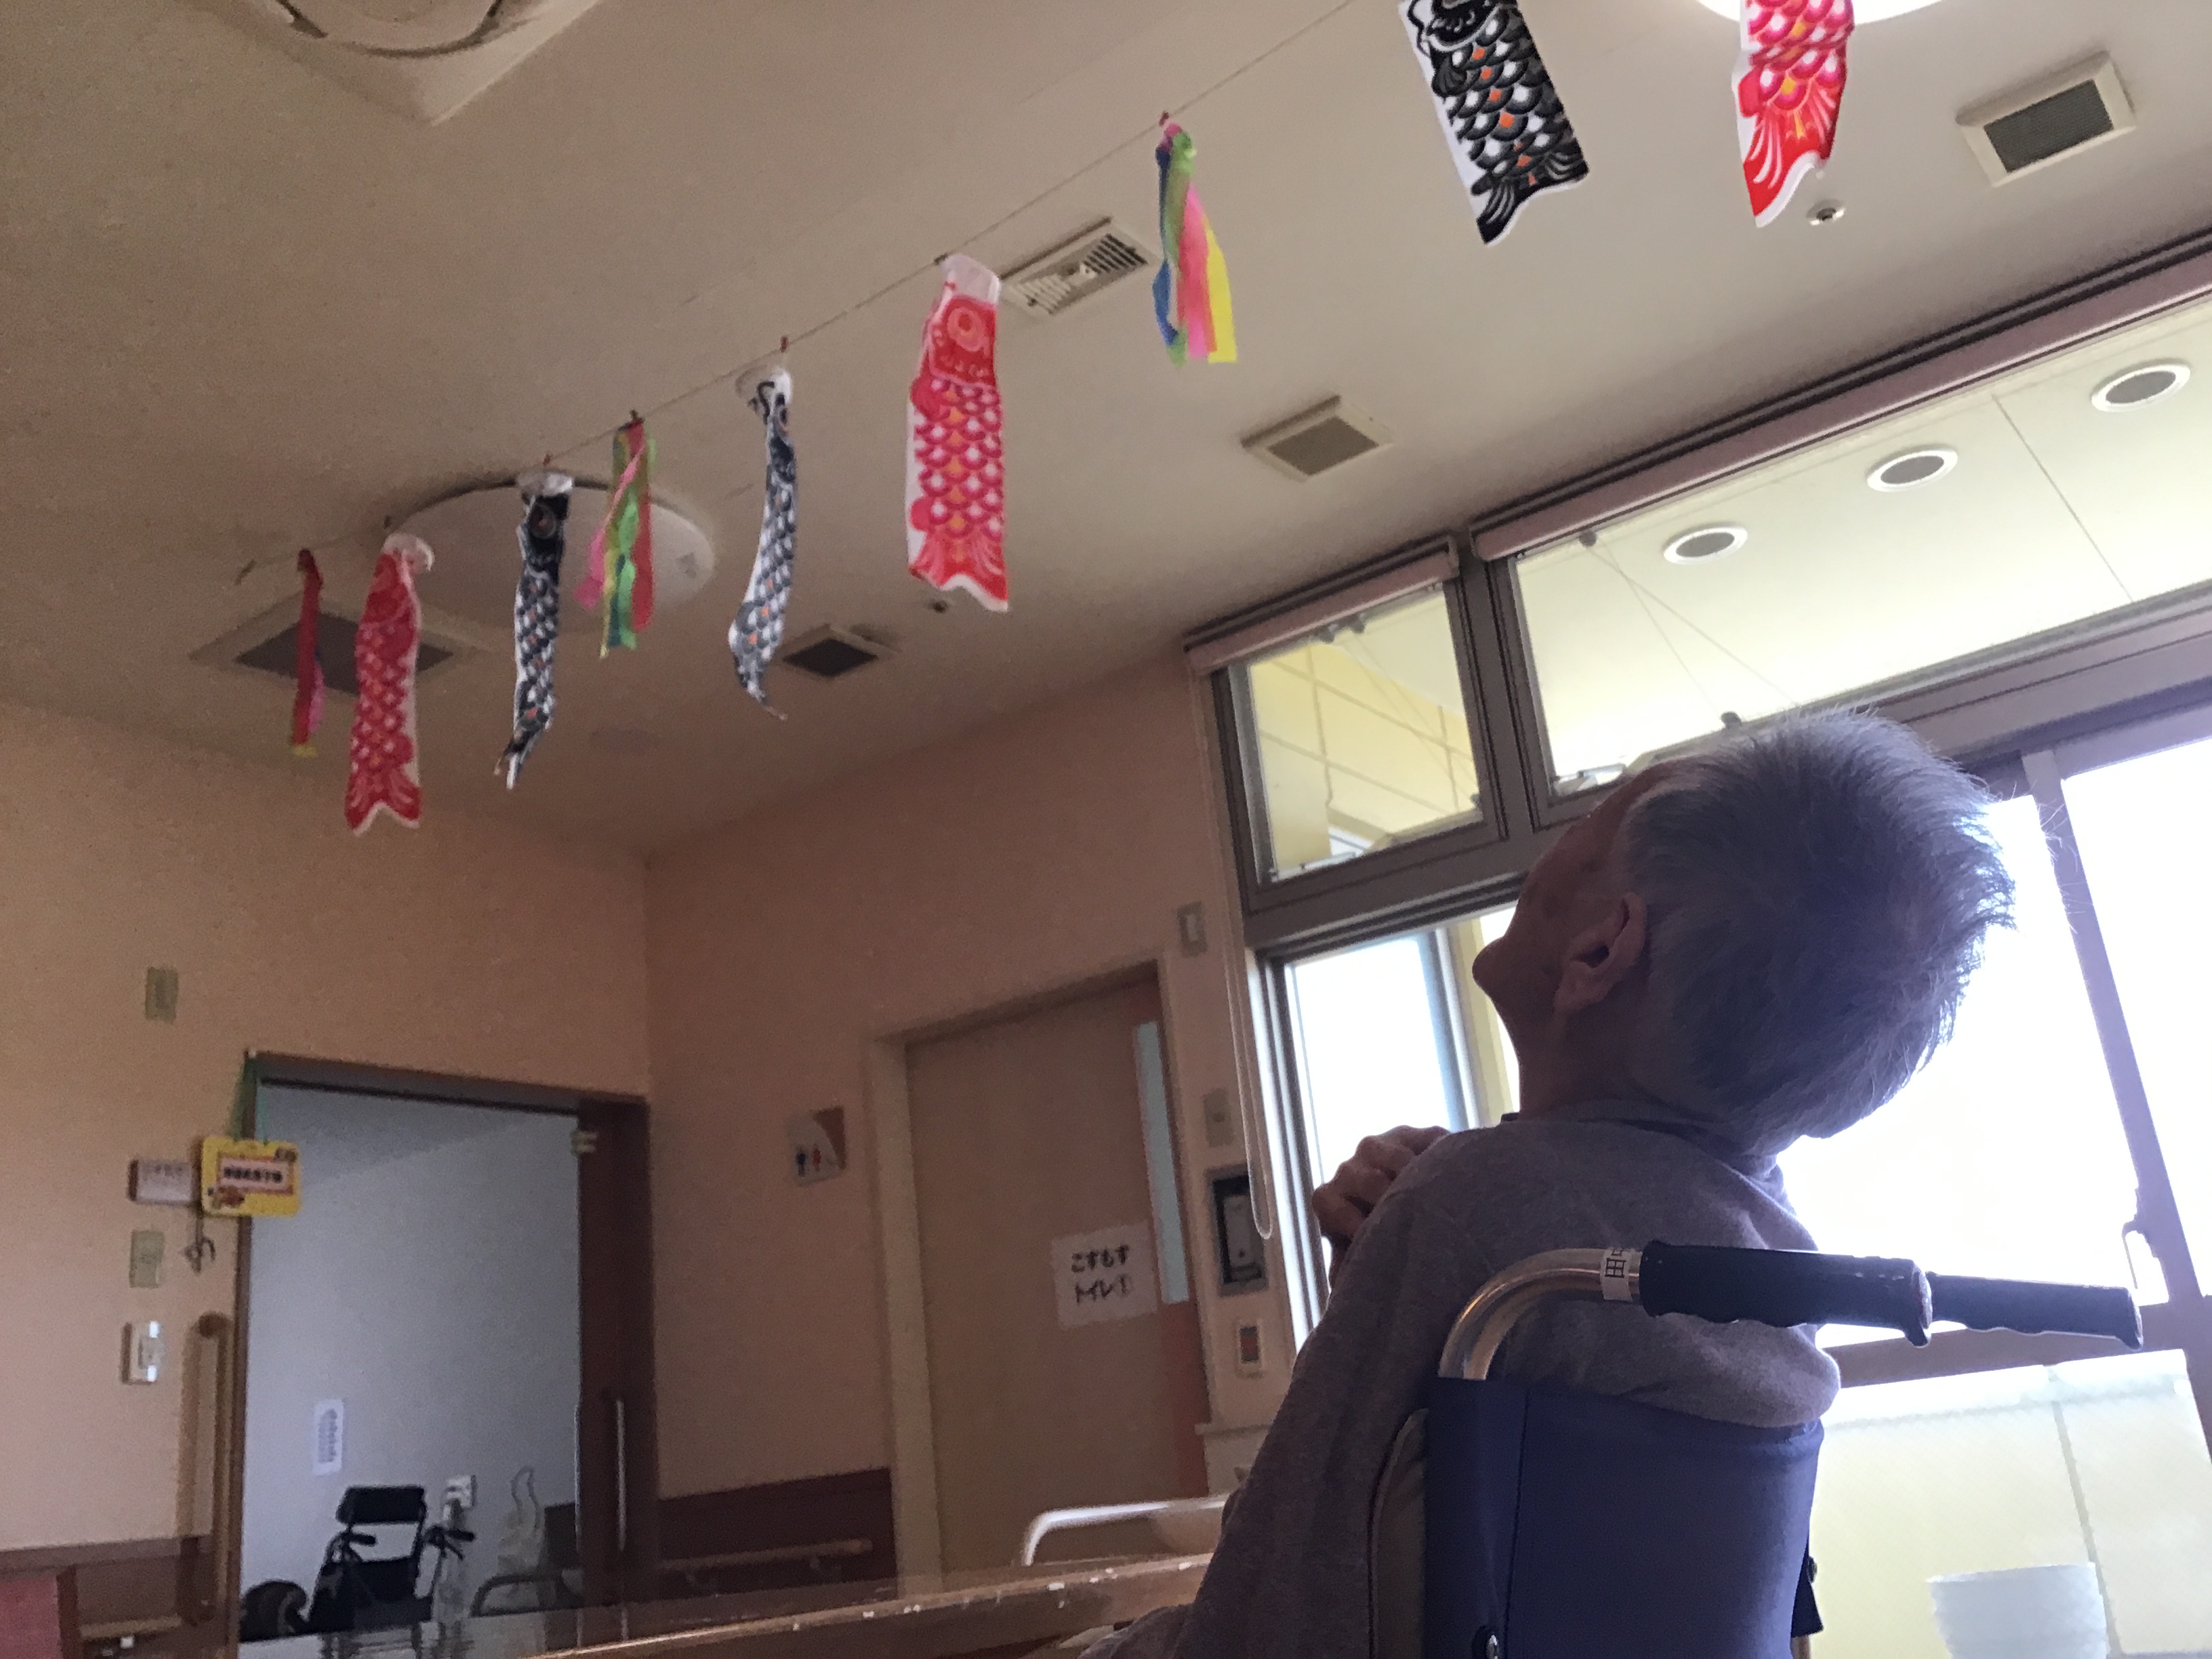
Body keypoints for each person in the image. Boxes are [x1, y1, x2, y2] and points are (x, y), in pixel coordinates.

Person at [1087, 712, 2013, 1658]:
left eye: (1583, 830)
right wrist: (1384, 1273)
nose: (1547, 855)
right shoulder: (1768, 1261)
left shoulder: (1475, 1209)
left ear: (1600, 952)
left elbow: (1270, 1618)